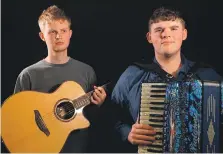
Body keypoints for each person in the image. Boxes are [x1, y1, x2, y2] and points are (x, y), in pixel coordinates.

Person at [111, 6, 223, 153]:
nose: (166, 34)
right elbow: (111, 116)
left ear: (184, 34)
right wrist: (127, 133)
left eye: (174, 28)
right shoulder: (132, 75)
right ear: (149, 37)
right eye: (159, 30)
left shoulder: (208, 76)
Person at [12, 5, 107, 153]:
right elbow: (14, 118)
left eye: (63, 31)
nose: (58, 36)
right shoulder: (28, 74)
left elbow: (90, 117)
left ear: (70, 33)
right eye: (52, 32)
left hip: (77, 148)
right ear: (42, 36)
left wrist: (99, 104)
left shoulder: (87, 71)